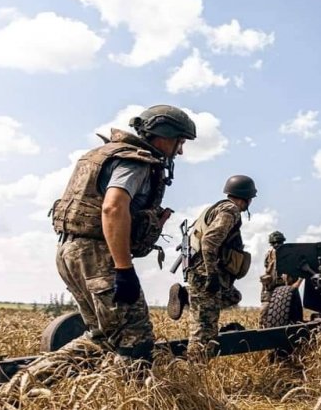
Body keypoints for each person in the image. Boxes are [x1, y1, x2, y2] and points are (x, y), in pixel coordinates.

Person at [50, 104, 196, 361]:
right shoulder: (135, 162)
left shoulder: (103, 155)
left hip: (70, 251)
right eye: (180, 142)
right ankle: (133, 391)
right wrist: (124, 270)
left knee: (104, 338)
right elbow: (113, 208)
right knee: (135, 340)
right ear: (164, 135)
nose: (180, 151)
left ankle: (23, 383)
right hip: (97, 255)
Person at [180, 175, 256, 361]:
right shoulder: (230, 211)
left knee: (233, 296)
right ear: (246, 197)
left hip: (200, 270)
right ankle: (196, 369)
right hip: (205, 274)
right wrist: (212, 274)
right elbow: (209, 242)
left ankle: (185, 297)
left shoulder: (216, 207)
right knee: (204, 328)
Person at [259, 231, 302, 325]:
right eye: (274, 243)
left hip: (288, 289)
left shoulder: (291, 254)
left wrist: (296, 284)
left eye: (279, 242)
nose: (276, 245)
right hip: (271, 287)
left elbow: (302, 272)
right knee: (264, 312)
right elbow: (267, 269)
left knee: (292, 315)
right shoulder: (269, 255)